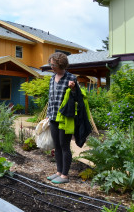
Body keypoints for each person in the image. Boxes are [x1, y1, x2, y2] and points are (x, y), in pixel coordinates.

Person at [46, 52, 76, 184]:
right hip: (53, 116)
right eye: (50, 64)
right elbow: (50, 99)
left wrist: (73, 89)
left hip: (64, 118)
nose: (51, 66)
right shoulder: (52, 78)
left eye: (53, 64)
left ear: (61, 64)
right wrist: (48, 115)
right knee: (56, 146)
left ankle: (65, 175)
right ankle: (58, 171)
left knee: (64, 146)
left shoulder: (71, 78)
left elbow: (77, 98)